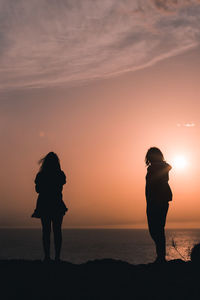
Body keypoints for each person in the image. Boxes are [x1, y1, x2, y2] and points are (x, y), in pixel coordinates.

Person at [32, 152, 68, 262]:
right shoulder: (60, 174)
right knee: (57, 231)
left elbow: (37, 190)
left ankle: (47, 256)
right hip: (56, 204)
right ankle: (57, 257)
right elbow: (61, 185)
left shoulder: (41, 175)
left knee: (46, 231)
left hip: (44, 205)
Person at [145, 147, 172, 263]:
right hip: (153, 201)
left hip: (158, 201)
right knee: (156, 229)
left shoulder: (158, 167)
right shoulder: (155, 168)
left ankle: (161, 257)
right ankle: (160, 256)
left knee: (157, 229)